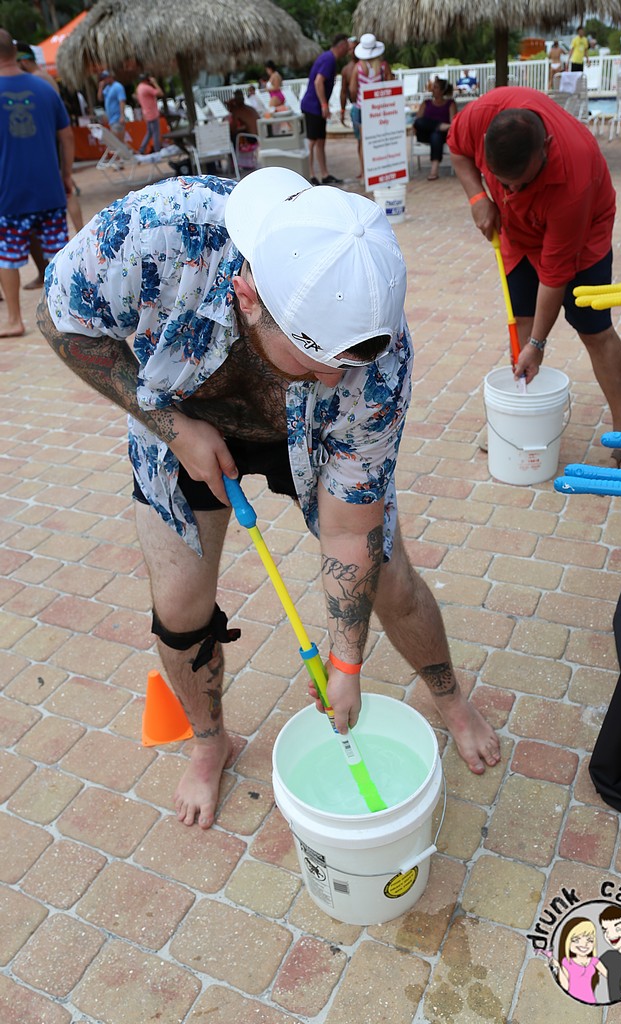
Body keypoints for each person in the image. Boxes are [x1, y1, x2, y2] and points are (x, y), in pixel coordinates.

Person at [38, 166, 501, 830]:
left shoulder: (376, 360)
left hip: (309, 436)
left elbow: (350, 531)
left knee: (390, 580)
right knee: (179, 609)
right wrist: (173, 430)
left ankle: (450, 698)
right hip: (178, 414)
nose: (336, 378)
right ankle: (209, 743)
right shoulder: (155, 233)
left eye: (347, 362)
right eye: (314, 361)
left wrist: (345, 662)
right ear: (249, 294)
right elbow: (61, 322)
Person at [448, 88, 621, 470]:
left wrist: (538, 343)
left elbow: (555, 275)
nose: (510, 192)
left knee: (594, 330)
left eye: (520, 183)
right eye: (502, 183)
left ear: (546, 149)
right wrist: (478, 197)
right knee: (522, 320)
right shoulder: (482, 114)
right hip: (517, 233)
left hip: (583, 235)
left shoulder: (574, 176)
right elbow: (457, 150)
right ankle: (521, 422)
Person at [0, 30, 73, 339]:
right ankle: (65, 315)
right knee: (58, 254)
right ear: (15, 52)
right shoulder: (45, 88)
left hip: (8, 193)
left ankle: (15, 319)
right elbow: (66, 137)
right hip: (49, 190)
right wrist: (66, 175)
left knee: (7, 257)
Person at [13, 40, 84, 285]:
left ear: (23, 60)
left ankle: (57, 266)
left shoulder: (36, 80)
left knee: (62, 194)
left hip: (47, 144)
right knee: (65, 192)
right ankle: (79, 238)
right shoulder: (45, 79)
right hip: (52, 143)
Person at [300, 33, 349, 185]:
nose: (348, 49)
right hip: (312, 106)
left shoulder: (328, 58)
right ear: (341, 46)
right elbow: (318, 82)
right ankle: (310, 175)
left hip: (316, 106)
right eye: (347, 46)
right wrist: (324, 104)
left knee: (320, 140)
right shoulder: (329, 59)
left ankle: (324, 174)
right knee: (312, 141)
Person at [349, 33, 393, 181]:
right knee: (380, 140)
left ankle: (364, 173)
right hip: (378, 109)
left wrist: (356, 99)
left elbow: (353, 89)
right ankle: (380, 171)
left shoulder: (358, 67)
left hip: (362, 107)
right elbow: (390, 84)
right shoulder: (383, 66)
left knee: (363, 142)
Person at [552, 917, 607, 1004]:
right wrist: (558, 967)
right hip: (571, 1000)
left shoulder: (594, 961)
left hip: (590, 1000)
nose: (584, 944)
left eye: (590, 940)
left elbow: (610, 976)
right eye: (576, 940)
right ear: (567, 941)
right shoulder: (567, 962)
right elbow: (565, 986)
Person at [413, 76, 456, 181]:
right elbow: (417, 122)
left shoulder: (450, 104)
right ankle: (439, 126)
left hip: (442, 136)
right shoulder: (426, 103)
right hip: (424, 134)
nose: (432, 89)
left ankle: (434, 169)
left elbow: (453, 124)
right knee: (419, 122)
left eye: (435, 87)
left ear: (442, 91)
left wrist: (442, 129)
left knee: (436, 134)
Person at [134, 72, 163, 154]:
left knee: (149, 132)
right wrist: (155, 83)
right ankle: (157, 151)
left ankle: (141, 149)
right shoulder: (146, 88)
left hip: (146, 113)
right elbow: (160, 93)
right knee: (156, 133)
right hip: (152, 113)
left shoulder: (139, 88)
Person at [98, 69, 126, 139]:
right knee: (117, 141)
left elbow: (122, 101)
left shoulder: (118, 86)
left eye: (106, 78)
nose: (104, 80)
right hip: (111, 120)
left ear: (110, 77)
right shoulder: (107, 88)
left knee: (117, 140)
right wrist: (100, 87)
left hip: (117, 118)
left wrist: (122, 115)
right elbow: (100, 98)